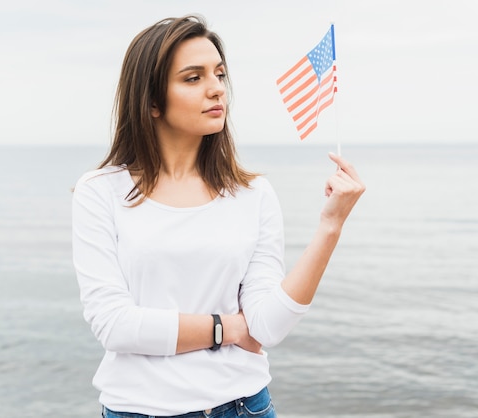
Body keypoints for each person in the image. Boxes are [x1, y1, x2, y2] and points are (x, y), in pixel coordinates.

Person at [72, 15, 365, 418]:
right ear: (152, 101)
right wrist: (226, 328)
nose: (216, 89)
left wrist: (331, 226)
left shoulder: (252, 193)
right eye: (193, 78)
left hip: (244, 406)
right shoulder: (101, 191)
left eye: (220, 74)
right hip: (138, 409)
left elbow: (268, 326)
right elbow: (115, 325)